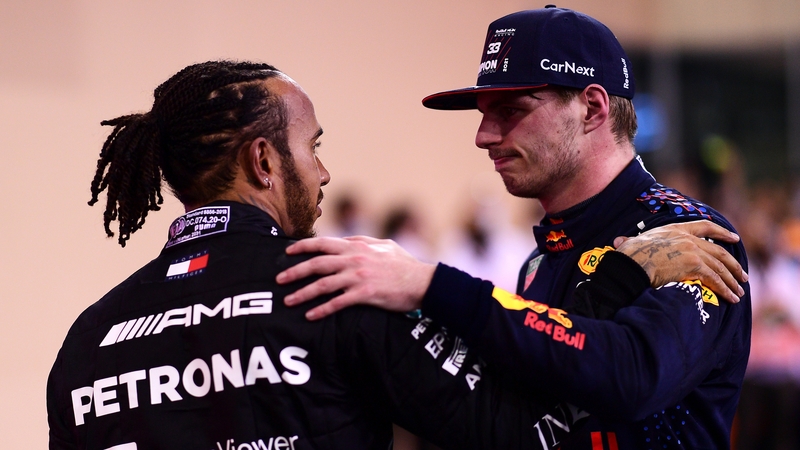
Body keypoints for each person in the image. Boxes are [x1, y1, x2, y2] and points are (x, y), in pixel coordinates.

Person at [47, 60, 742, 450]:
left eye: (510, 110)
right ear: (263, 160)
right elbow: (526, 429)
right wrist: (622, 276)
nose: (322, 173)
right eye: (312, 146)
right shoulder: (334, 285)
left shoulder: (87, 338)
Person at [276, 7, 752, 450]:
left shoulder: (687, 234)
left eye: (511, 110)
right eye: (484, 113)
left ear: (592, 108)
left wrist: (428, 283)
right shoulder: (544, 254)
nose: (483, 136)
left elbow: (633, 377)